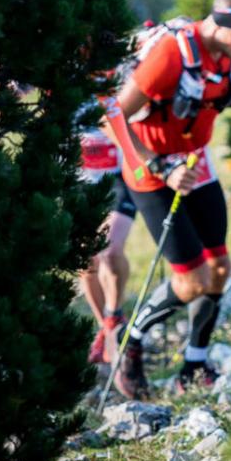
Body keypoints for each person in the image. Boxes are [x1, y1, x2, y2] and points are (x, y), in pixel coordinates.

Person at [110, 0, 231, 398]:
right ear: (217, 24)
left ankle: (194, 364)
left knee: (220, 269)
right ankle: (131, 340)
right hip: (151, 169)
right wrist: (159, 166)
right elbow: (115, 114)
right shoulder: (172, 54)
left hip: (196, 161)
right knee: (191, 281)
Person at [77, 121, 134, 364]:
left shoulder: (122, 81)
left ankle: (114, 316)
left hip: (120, 175)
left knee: (109, 250)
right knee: (84, 259)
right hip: (79, 175)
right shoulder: (65, 82)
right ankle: (106, 331)